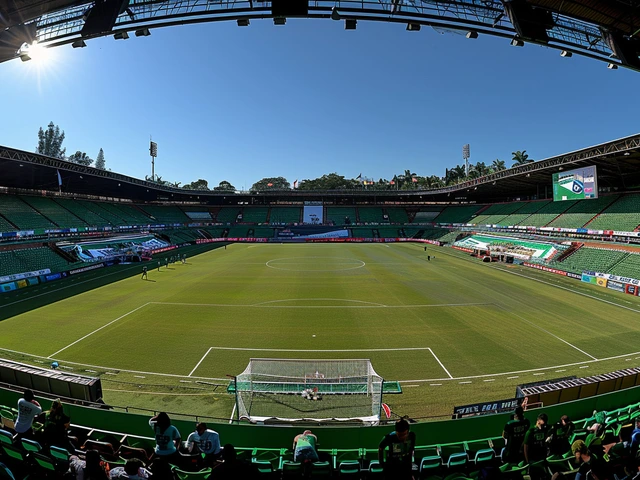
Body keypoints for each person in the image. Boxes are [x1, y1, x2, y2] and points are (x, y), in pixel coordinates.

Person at [524, 413, 549, 480]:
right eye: (542, 424)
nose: (543, 426)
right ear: (538, 421)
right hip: (533, 460)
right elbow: (525, 447)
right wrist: (528, 461)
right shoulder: (530, 432)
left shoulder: (545, 430)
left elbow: (545, 443)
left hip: (542, 459)